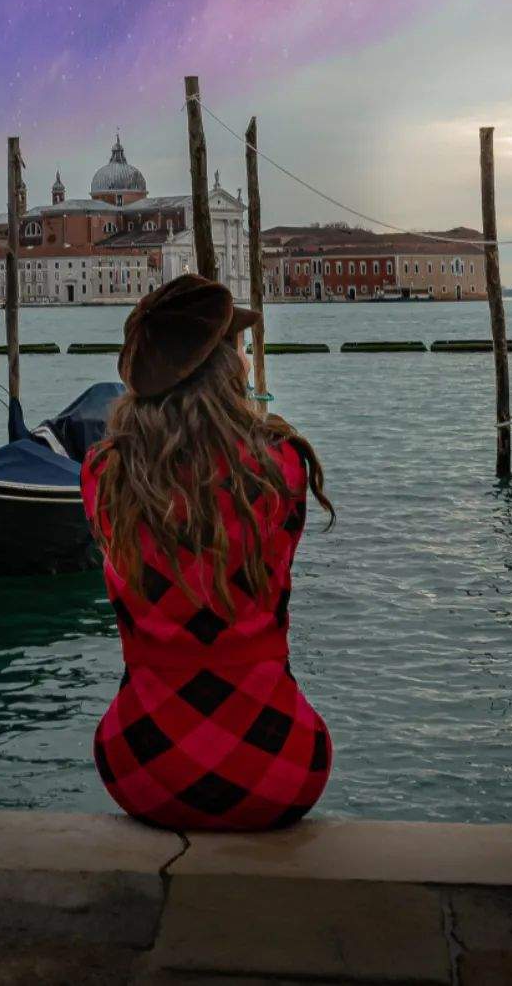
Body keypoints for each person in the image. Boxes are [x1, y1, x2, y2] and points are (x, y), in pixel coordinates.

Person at [81, 273, 335, 831]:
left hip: (140, 768)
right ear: (223, 370)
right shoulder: (283, 468)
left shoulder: (103, 474)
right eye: (238, 349)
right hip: (281, 767)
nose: (246, 360)